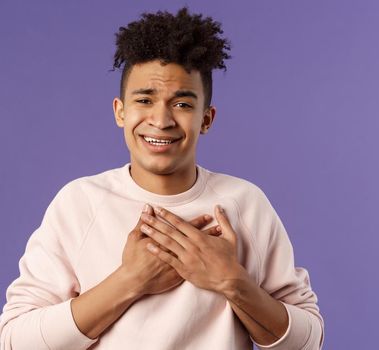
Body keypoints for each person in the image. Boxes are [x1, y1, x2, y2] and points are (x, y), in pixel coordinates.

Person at [0, 7, 324, 350]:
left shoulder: (245, 203)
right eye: (144, 99)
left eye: (182, 104)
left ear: (207, 119)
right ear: (120, 111)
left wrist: (231, 281)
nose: (161, 119)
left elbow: (308, 341)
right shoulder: (80, 203)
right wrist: (131, 279)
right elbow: (14, 341)